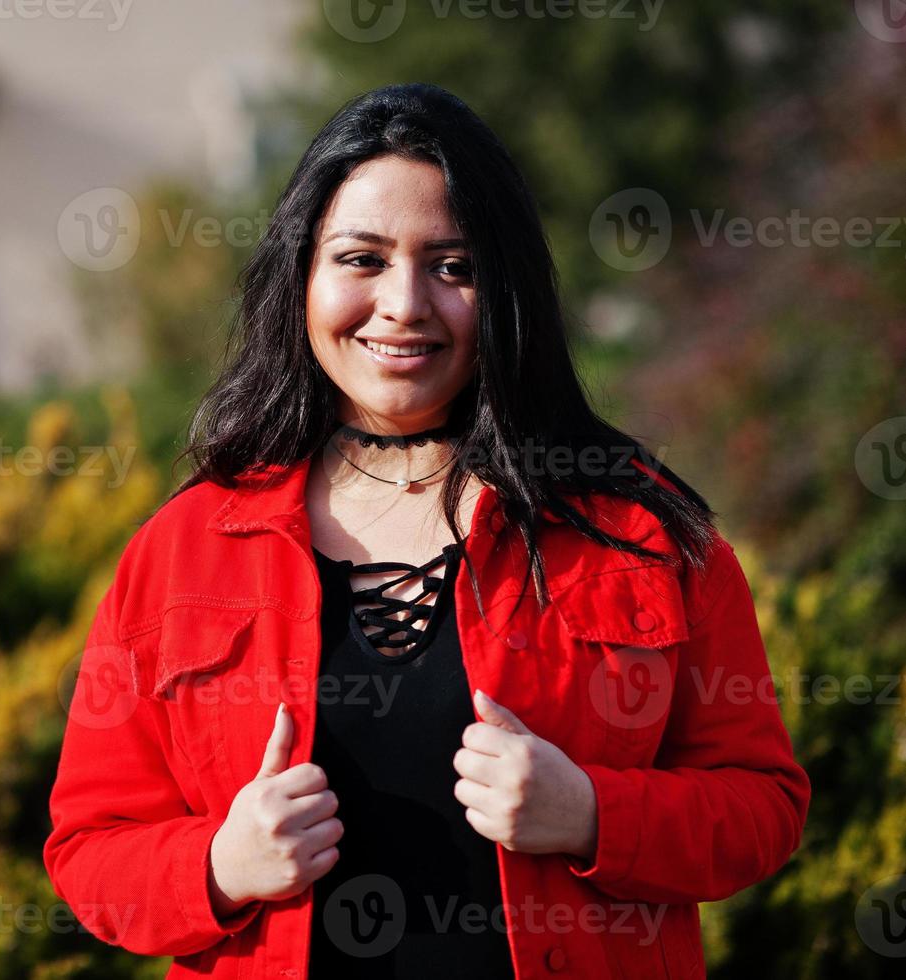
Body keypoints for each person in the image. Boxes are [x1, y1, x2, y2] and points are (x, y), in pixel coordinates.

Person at [43, 82, 810, 979]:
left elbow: (761, 807)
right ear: (301, 275)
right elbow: (89, 853)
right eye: (361, 259)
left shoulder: (639, 529)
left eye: (452, 266)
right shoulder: (182, 548)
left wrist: (593, 810)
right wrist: (217, 867)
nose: (404, 303)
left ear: (506, 288)